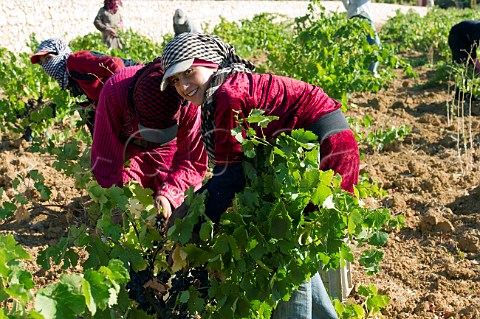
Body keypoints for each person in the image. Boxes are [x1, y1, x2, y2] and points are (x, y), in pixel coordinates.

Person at [160, 32, 360, 319]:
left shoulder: (228, 94)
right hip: (303, 158)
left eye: (188, 73)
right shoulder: (222, 90)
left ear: (210, 63)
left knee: (285, 250)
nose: (184, 86)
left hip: (326, 154)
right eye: (176, 81)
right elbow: (232, 169)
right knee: (292, 250)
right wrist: (193, 212)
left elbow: (231, 176)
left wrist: (192, 219)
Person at [91, 57, 208, 217]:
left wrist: (169, 194)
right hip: (132, 152)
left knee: (184, 206)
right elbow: (105, 156)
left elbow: (192, 160)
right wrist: (115, 201)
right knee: (128, 204)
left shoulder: (188, 98)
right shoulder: (114, 92)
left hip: (172, 150)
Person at [31, 38, 138, 135]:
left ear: (60, 52)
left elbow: (114, 64)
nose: (46, 65)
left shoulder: (74, 61)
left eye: (48, 58)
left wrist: (121, 98)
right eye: (42, 63)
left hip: (136, 80)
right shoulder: (69, 84)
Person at [341, 0, 380, 77]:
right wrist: (350, 7)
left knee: (375, 44)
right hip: (354, 16)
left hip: (364, 16)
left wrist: (350, 7)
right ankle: (352, 73)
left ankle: (371, 71)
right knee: (352, 47)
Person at [448, 20, 480, 103]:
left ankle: (465, 95)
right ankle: (463, 95)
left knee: (469, 68)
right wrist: (476, 62)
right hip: (457, 39)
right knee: (468, 67)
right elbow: (473, 46)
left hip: (463, 38)